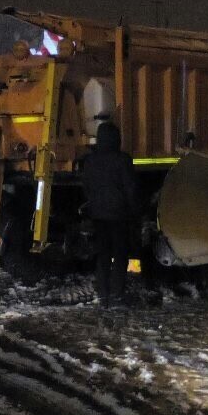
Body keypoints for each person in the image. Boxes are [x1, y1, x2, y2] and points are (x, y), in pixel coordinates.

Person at [81, 121, 138, 305]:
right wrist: (136, 210)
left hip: (98, 214)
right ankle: (117, 292)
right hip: (119, 214)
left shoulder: (90, 161)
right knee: (120, 254)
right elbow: (130, 188)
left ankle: (103, 293)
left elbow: (87, 188)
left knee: (103, 254)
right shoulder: (123, 160)